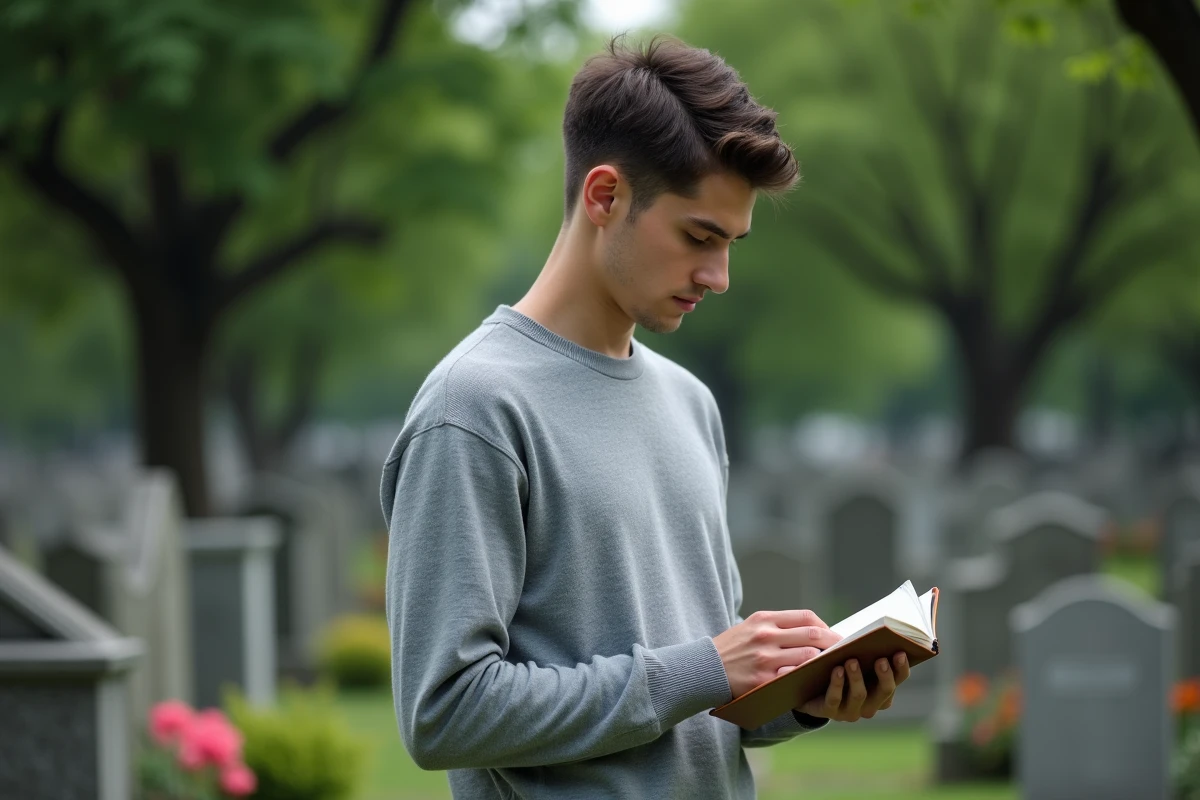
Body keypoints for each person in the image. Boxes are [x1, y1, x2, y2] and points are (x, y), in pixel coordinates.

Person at [380, 35, 911, 799]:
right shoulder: (473, 408)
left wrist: (802, 695)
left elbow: (700, 703)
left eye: (732, 244)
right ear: (605, 196)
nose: (719, 277)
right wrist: (703, 666)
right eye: (699, 237)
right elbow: (445, 713)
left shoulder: (690, 403)